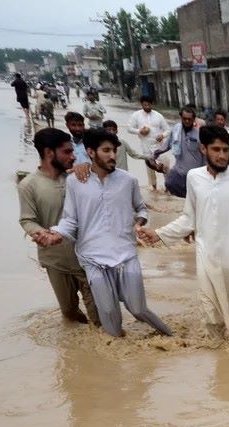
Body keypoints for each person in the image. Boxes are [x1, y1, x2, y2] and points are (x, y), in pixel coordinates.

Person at [138, 126, 229, 337]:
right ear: (203, 149)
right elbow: (189, 217)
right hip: (208, 259)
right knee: (212, 316)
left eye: (225, 150)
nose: (222, 155)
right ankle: (219, 359)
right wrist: (159, 233)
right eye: (216, 149)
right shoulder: (194, 178)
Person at [36, 129, 173, 338]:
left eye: (114, 150)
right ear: (91, 152)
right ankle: (116, 360)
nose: (112, 155)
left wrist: (139, 222)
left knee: (138, 309)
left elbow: (141, 209)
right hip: (92, 257)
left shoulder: (128, 181)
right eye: (106, 150)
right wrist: (56, 234)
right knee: (109, 313)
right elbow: (70, 219)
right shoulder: (75, 182)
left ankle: (173, 338)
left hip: (125, 253)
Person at [18, 128, 97, 325]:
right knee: (70, 313)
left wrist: (88, 166)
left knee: (100, 313)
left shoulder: (76, 177)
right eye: (67, 152)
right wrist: (40, 232)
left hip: (87, 257)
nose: (73, 156)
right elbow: (27, 219)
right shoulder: (29, 185)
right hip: (56, 260)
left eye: (73, 152)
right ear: (49, 153)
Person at [152, 106, 205, 198]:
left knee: (197, 198)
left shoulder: (200, 133)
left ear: (194, 119)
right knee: (169, 183)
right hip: (179, 171)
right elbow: (168, 144)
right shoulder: (176, 129)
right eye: (185, 119)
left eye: (189, 119)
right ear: (181, 118)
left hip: (195, 173)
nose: (187, 121)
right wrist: (156, 153)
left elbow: (206, 154)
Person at [127, 95, 168, 191]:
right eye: (145, 105)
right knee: (150, 168)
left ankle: (167, 187)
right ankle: (154, 188)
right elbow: (129, 128)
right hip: (146, 146)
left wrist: (162, 135)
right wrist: (139, 131)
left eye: (149, 105)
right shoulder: (136, 115)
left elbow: (167, 130)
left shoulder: (158, 115)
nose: (147, 107)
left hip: (159, 146)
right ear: (141, 105)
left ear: (152, 104)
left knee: (165, 165)